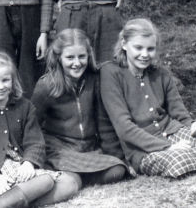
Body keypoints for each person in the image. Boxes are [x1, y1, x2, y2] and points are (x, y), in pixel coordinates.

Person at [100, 18, 196, 178]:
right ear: (124, 44)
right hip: (142, 147)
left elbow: (179, 113)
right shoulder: (111, 73)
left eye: (150, 49)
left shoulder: (161, 73)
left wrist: (193, 125)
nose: (145, 54)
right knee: (176, 160)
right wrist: (167, 147)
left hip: (172, 132)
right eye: (138, 48)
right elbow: (124, 128)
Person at [0, 52, 74, 208]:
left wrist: (29, 162)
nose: (0, 86)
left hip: (21, 167)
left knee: (69, 183)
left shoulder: (25, 106)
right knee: (46, 181)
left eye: (5, 80)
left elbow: (35, 142)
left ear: (13, 80)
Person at [30, 29, 126, 199]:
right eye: (70, 58)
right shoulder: (46, 85)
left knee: (118, 170)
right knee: (72, 181)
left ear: (89, 55)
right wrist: (34, 157)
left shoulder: (94, 79)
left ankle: (79, 174)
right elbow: (32, 125)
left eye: (82, 56)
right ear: (58, 57)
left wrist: (115, 155)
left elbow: (103, 122)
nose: (77, 63)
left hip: (89, 148)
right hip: (60, 150)